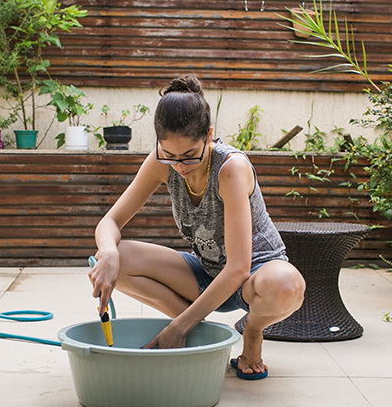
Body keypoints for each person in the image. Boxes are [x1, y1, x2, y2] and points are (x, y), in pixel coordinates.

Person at [88, 75, 305, 380]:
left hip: (254, 275)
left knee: (286, 285)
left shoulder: (231, 169)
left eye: (190, 155)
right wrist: (108, 253)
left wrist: (174, 330)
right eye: (169, 155)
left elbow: (240, 268)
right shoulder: (161, 162)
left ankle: (251, 333)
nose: (180, 166)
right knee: (114, 258)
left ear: (209, 136)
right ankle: (202, 334)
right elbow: (109, 222)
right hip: (207, 272)